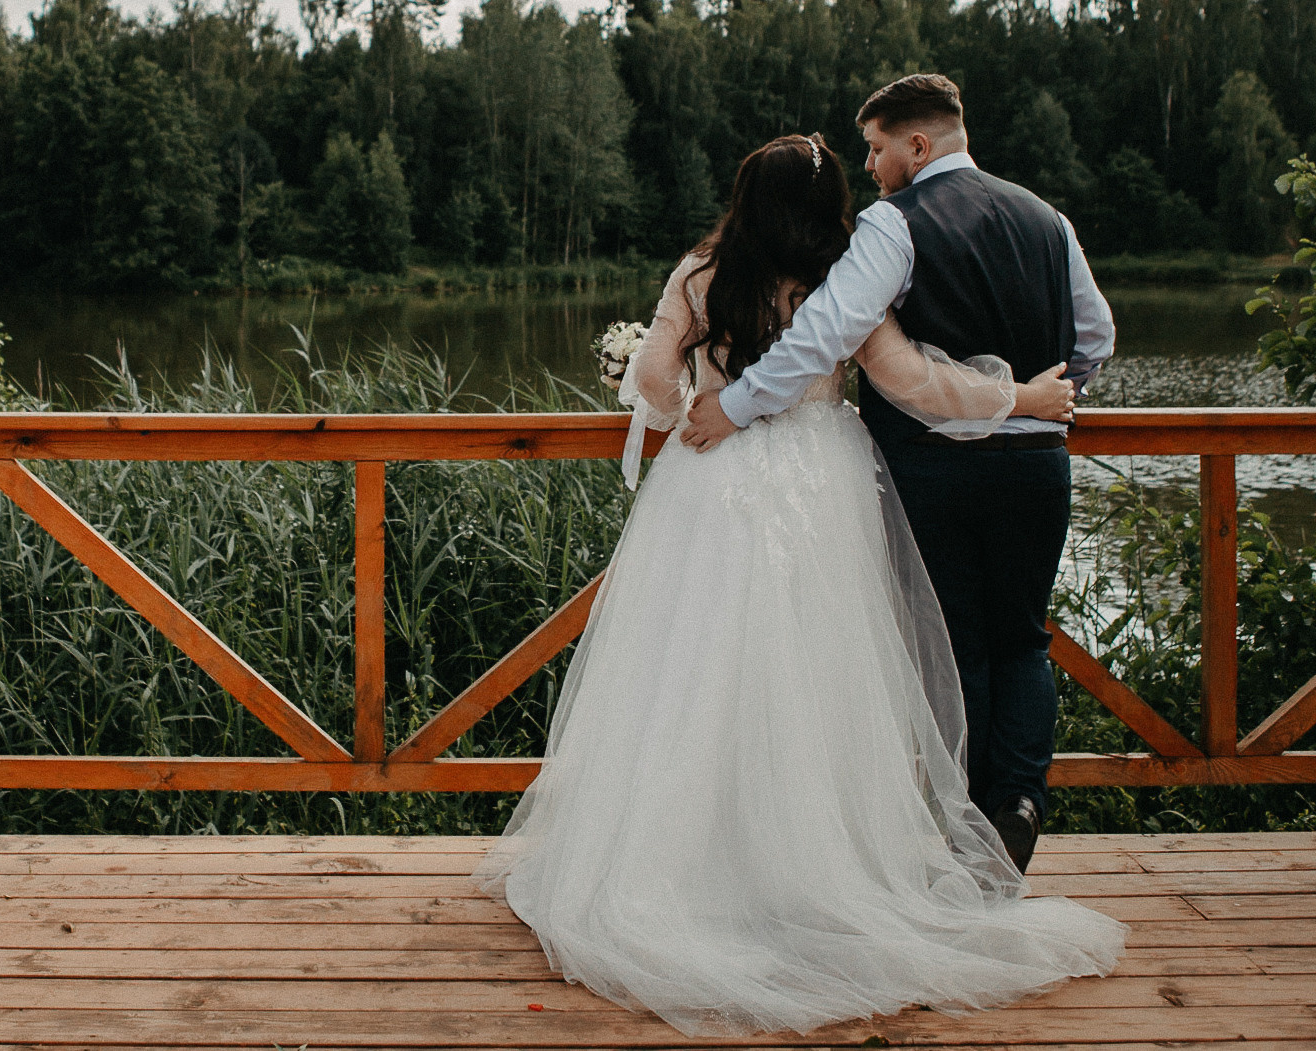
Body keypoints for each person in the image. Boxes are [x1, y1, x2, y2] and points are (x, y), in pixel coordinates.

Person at [475, 132, 1124, 1037]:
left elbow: (659, 379)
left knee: (698, 662)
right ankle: (820, 864)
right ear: (823, 212)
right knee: (822, 669)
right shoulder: (844, 276)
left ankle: (691, 864)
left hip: (714, 480)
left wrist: (676, 402)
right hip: (823, 484)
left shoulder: (702, 273)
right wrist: (1018, 397)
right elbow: (907, 379)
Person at [680, 72, 1114, 873]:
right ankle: (1018, 803)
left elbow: (823, 333)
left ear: (919, 145)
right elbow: (1095, 335)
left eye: (879, 150)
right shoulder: (1047, 218)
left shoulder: (895, 222)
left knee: (957, 647)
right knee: (1023, 642)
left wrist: (737, 405)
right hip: (1035, 465)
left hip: (936, 468)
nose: (871, 168)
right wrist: (1045, 400)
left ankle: (968, 831)